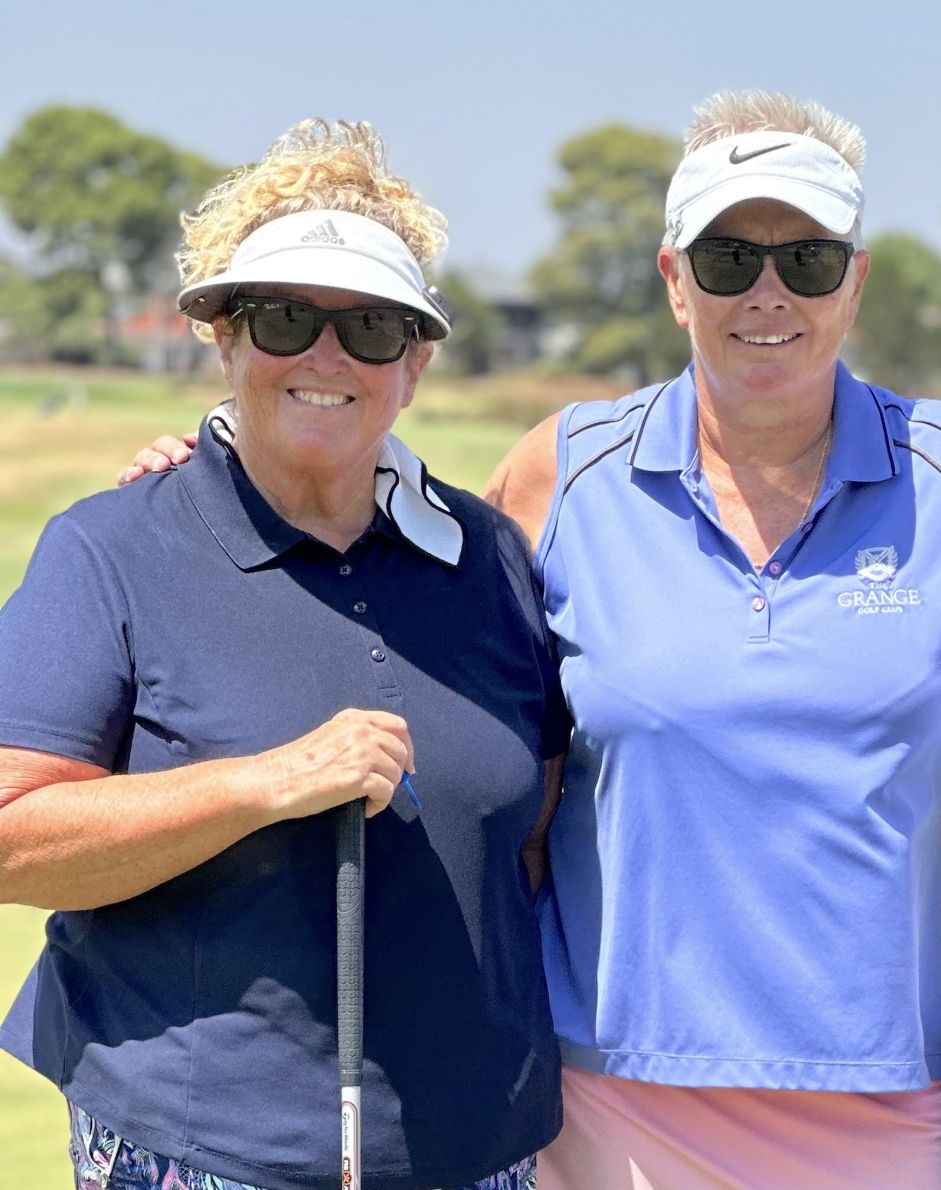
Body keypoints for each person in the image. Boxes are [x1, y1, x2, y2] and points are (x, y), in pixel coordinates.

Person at [124, 93, 941, 1188]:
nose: (768, 292)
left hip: (885, 1090)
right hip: (603, 1085)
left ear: (857, 278)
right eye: (730, 259)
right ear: (676, 278)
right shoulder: (565, 468)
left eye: (807, 258)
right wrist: (221, 468)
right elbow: (415, 602)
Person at [0, 120, 563, 1190]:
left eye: (374, 329)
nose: (327, 355)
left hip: (482, 1150)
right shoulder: (111, 546)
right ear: (225, 338)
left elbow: (531, 817)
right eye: (286, 316)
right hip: (197, 1150)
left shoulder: (490, 557)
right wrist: (265, 784)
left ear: (419, 362)